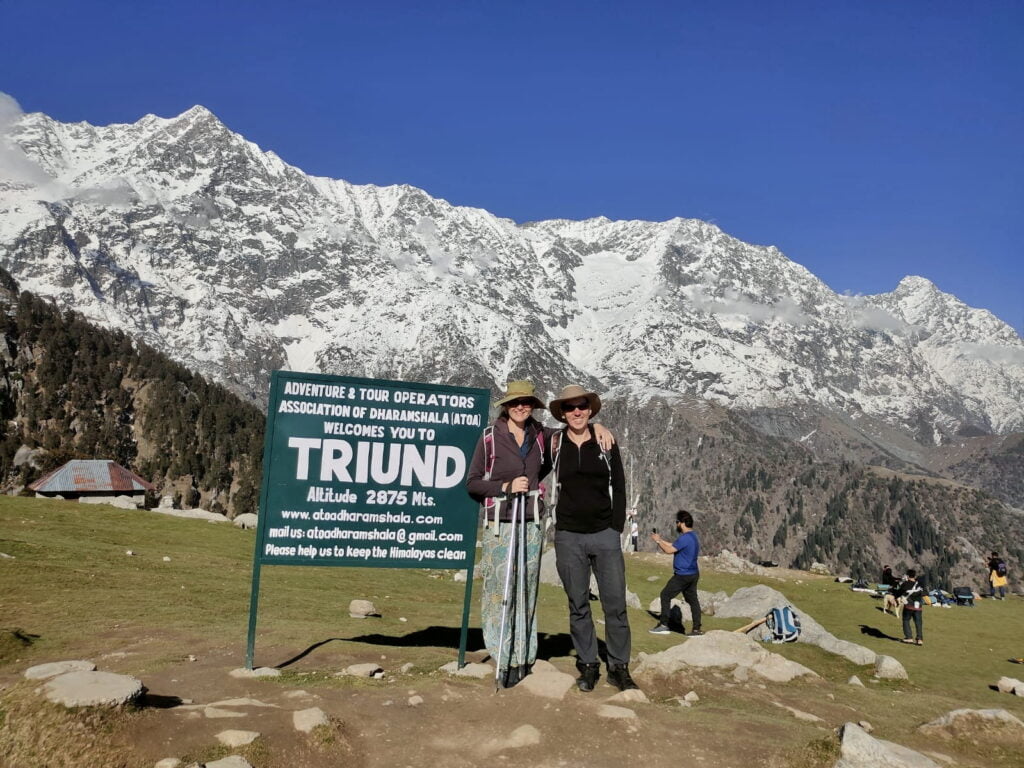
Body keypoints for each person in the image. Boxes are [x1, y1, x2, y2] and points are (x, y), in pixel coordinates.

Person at [466, 381, 614, 688]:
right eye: (515, 402)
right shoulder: (490, 437)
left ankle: (523, 655)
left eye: (526, 402)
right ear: (506, 406)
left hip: (531, 522)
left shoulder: (542, 435)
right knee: (498, 592)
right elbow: (473, 483)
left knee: (527, 589)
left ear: (533, 406)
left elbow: (573, 430)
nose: (520, 407)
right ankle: (502, 654)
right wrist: (505, 487)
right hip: (500, 523)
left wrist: (597, 427)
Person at [547, 384, 635, 692]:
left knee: (615, 603)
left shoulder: (605, 442)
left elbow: (619, 485)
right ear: (562, 413)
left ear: (590, 409)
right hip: (568, 535)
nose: (576, 412)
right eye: (570, 407)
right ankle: (588, 665)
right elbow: (527, 444)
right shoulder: (555, 443)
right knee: (578, 603)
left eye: (582, 406)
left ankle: (619, 667)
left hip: (604, 534)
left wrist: (616, 527)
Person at [649, 510, 703, 637]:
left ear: (682, 523)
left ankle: (663, 625)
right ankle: (696, 629)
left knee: (665, 595)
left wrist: (658, 542)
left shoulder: (685, 538)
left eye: (677, 522)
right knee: (693, 600)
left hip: (683, 575)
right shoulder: (693, 536)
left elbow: (669, 550)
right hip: (693, 574)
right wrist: (660, 539)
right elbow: (674, 545)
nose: (676, 524)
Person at [893, 568, 925, 645]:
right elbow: (924, 593)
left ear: (907, 575)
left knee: (906, 620)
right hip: (918, 607)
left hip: (909, 606)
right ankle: (919, 639)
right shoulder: (920, 584)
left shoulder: (906, 584)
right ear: (915, 576)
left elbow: (899, 592)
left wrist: (894, 597)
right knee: (918, 623)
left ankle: (909, 637)